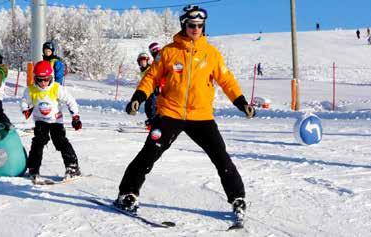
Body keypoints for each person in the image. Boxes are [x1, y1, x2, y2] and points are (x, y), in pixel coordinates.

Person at [115, 5, 256, 222]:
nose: (196, 29)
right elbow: (151, 77)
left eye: (200, 25)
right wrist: (138, 98)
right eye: (192, 25)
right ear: (184, 25)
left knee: (221, 157)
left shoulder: (211, 54)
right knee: (149, 154)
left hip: (201, 116)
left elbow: (227, 80)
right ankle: (127, 194)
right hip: (170, 113)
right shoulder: (169, 52)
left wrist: (241, 102)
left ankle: (237, 198)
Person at [22, 61, 82, 184]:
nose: (43, 83)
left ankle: (72, 167)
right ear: (35, 78)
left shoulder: (56, 88)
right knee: (38, 142)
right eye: (39, 80)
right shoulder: (31, 90)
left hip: (56, 120)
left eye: (46, 79)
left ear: (51, 77)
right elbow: (24, 101)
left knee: (60, 142)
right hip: (40, 120)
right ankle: (33, 168)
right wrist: (25, 109)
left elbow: (70, 101)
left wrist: (75, 116)